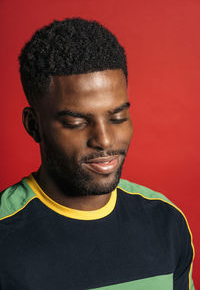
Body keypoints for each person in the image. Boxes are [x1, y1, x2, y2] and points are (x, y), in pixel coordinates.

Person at [0, 18, 195, 290]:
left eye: (117, 117)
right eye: (77, 123)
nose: (104, 140)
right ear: (34, 125)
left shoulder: (166, 220)